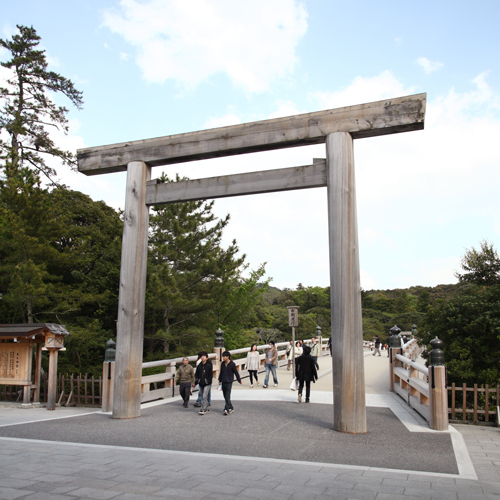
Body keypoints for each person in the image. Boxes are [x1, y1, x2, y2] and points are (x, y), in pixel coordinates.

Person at [219, 351, 242, 415]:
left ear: (228, 357)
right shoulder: (223, 363)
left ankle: (226, 409)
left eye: (224, 356)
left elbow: (236, 372)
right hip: (223, 381)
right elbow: (221, 372)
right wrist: (219, 380)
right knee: (224, 395)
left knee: (227, 395)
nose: (223, 358)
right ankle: (230, 407)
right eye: (223, 356)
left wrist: (239, 380)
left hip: (229, 381)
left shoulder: (232, 364)